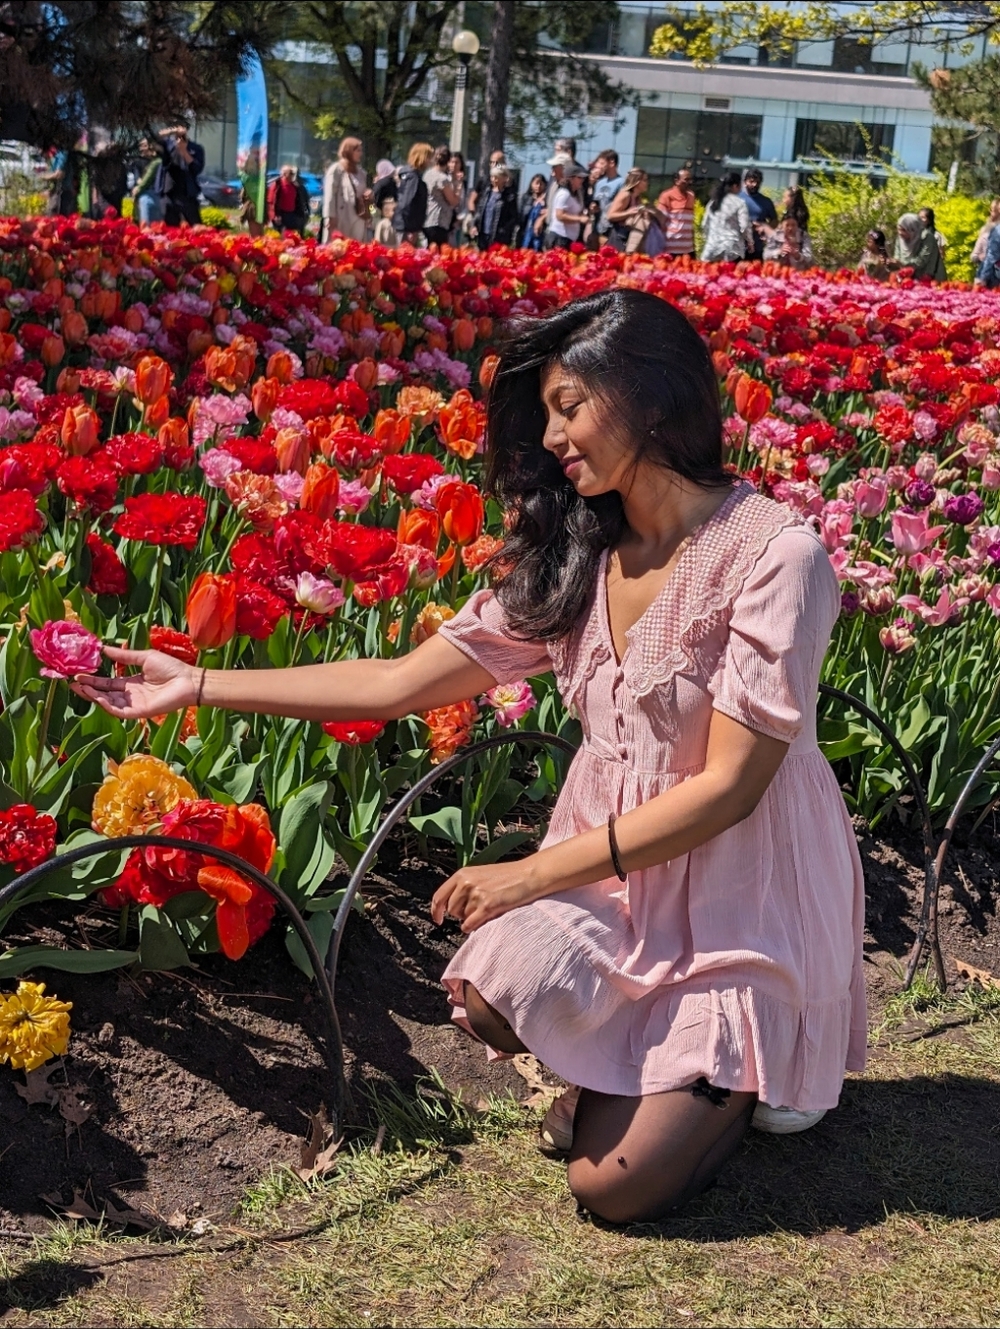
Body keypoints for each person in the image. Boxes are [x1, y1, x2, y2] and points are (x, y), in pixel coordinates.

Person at [75, 287, 865, 1226]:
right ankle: (664, 1066)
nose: (554, 436)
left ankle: (742, 1069)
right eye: (545, 416)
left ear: (651, 397)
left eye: (570, 406)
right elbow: (396, 682)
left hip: (742, 895)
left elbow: (731, 789)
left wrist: (529, 874)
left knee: (609, 1189)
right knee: (492, 986)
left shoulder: (773, 555)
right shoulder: (583, 553)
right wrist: (197, 684)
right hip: (621, 893)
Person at [148, 123, 204, 227]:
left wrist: (183, 150)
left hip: (187, 194)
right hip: (168, 194)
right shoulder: (167, 144)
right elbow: (153, 138)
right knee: (170, 229)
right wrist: (171, 131)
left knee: (197, 227)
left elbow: (197, 168)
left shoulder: (196, 148)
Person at [322, 136, 370, 242]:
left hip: (359, 217)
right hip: (341, 217)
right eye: (358, 150)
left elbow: (366, 197)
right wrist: (330, 216)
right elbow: (330, 195)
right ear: (348, 150)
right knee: (339, 249)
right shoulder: (336, 170)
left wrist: (370, 211)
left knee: (357, 251)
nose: (361, 154)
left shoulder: (361, 173)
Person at [701, 171, 753, 263]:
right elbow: (744, 227)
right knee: (729, 276)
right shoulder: (739, 203)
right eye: (740, 186)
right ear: (735, 186)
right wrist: (750, 242)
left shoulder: (713, 202)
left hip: (712, 248)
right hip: (731, 249)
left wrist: (709, 239)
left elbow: (705, 224)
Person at [472, 164, 519, 248]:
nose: (494, 180)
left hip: (499, 238)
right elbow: (480, 211)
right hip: (483, 235)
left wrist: (504, 231)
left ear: (504, 178)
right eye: (492, 177)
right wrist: (475, 225)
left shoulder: (509, 196)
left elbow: (513, 218)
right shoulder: (487, 193)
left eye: (496, 177)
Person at [888, 212, 946, 281]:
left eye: (903, 230)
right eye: (899, 229)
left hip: (929, 278)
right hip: (907, 279)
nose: (900, 233)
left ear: (913, 229)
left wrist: (902, 263)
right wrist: (893, 262)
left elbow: (922, 260)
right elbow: (897, 255)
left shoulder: (927, 237)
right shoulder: (900, 238)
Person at [394, 142, 433, 243]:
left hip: (405, 225)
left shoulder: (409, 175)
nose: (430, 161)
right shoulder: (413, 177)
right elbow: (407, 203)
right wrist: (410, 229)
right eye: (429, 157)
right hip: (406, 228)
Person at [604, 167, 650, 252]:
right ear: (637, 181)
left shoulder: (637, 198)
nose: (647, 183)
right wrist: (628, 213)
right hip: (619, 237)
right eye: (645, 180)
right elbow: (610, 215)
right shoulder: (625, 195)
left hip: (629, 237)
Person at [423, 145, 460, 246]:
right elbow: (453, 201)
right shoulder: (442, 179)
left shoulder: (427, 174)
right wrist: (457, 184)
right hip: (439, 220)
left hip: (427, 218)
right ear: (448, 161)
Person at [657, 166, 697, 259]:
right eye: (686, 180)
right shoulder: (667, 196)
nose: (689, 182)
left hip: (688, 249)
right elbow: (660, 221)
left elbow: (690, 223)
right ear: (677, 181)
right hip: (671, 248)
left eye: (690, 179)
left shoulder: (691, 196)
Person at [739, 168, 777, 260]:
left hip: (757, 248)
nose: (754, 185)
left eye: (757, 182)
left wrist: (763, 227)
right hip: (737, 247)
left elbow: (775, 221)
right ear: (745, 182)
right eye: (751, 181)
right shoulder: (736, 198)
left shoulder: (766, 202)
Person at [547, 162, 587, 249]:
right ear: (571, 179)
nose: (582, 180)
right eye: (579, 178)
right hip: (560, 237)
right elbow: (560, 216)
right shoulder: (564, 194)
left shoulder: (576, 195)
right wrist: (580, 219)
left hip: (568, 238)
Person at [266, 164, 309, 235]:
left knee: (296, 233)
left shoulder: (295, 186)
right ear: (284, 174)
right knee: (282, 236)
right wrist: (275, 216)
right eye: (290, 173)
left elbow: (300, 201)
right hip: (280, 215)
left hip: (291, 215)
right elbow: (271, 202)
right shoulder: (277, 185)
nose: (293, 175)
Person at [590, 150, 621, 245]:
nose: (600, 166)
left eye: (602, 163)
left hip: (612, 229)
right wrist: (593, 206)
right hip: (597, 227)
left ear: (612, 163)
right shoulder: (599, 183)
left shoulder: (621, 183)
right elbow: (596, 201)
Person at [130, 142, 162, 226]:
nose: (143, 148)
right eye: (141, 146)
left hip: (155, 193)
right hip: (146, 192)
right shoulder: (138, 162)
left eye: (145, 145)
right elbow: (138, 179)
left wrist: (139, 186)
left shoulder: (156, 161)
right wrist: (139, 187)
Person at [518, 173, 548, 250]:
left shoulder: (547, 200)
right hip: (525, 232)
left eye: (541, 184)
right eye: (536, 183)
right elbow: (521, 215)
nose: (538, 186)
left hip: (540, 234)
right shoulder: (526, 197)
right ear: (531, 184)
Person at [971, 199, 1000, 269]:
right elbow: (974, 255)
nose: (990, 212)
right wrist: (981, 257)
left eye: (992, 209)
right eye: (992, 209)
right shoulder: (985, 230)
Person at [448, 152, 469, 244]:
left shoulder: (464, 183)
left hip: (456, 223)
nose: (454, 165)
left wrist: (460, 218)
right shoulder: (445, 180)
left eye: (457, 162)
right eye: (452, 162)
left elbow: (464, 202)